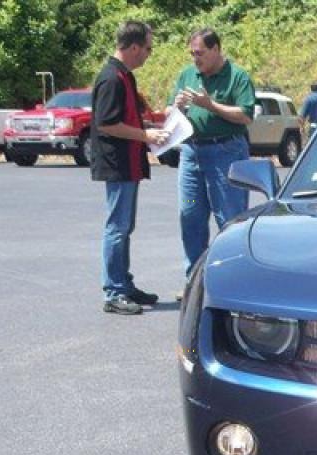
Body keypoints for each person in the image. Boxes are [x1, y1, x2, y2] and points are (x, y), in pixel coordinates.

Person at [91, 20, 169, 315]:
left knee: (124, 227)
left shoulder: (124, 76)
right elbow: (107, 123)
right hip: (118, 164)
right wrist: (145, 135)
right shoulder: (111, 77)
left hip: (129, 164)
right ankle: (113, 291)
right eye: (148, 48)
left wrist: (155, 124)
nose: (149, 54)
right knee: (117, 228)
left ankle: (124, 283)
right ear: (134, 46)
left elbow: (128, 118)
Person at [170, 27, 255, 284]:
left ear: (216, 49)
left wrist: (210, 105)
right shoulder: (187, 74)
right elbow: (169, 110)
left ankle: (231, 279)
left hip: (226, 150)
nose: (196, 59)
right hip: (192, 152)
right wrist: (176, 107)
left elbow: (246, 116)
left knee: (229, 218)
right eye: (193, 54)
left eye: (201, 53)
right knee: (190, 216)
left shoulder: (237, 77)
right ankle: (195, 281)